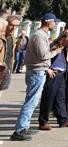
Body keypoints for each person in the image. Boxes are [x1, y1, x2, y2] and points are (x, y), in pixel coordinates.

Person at [11, 13, 64, 142]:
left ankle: (24, 127)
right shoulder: (39, 35)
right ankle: (19, 130)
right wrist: (56, 51)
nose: (55, 24)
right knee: (31, 102)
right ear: (48, 22)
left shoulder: (42, 35)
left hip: (39, 71)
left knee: (32, 101)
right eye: (54, 22)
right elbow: (42, 55)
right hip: (36, 72)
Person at [38, 32, 68, 131]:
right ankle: (43, 121)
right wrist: (48, 69)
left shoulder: (67, 49)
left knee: (60, 98)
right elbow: (44, 57)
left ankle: (63, 119)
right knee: (48, 97)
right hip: (53, 73)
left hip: (62, 74)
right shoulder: (53, 46)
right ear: (62, 39)